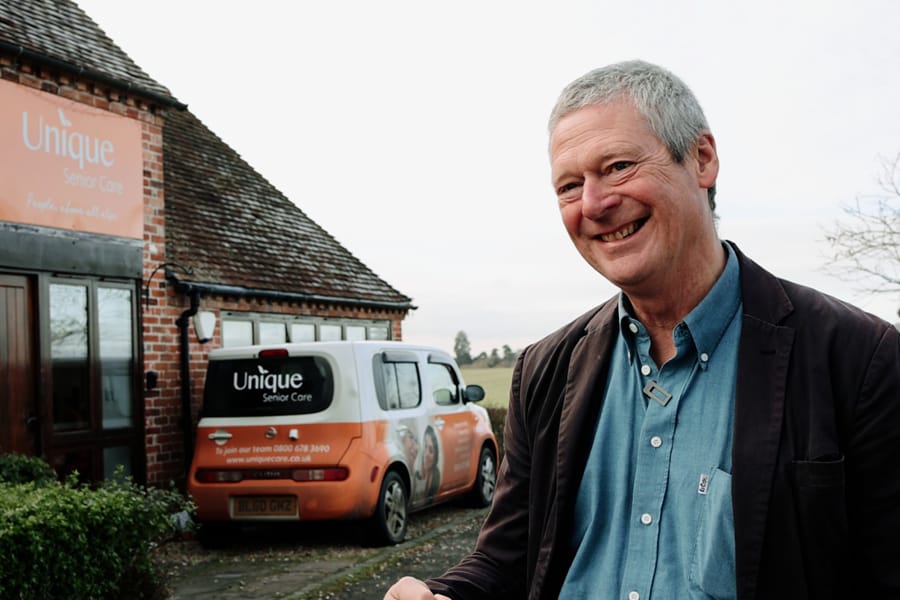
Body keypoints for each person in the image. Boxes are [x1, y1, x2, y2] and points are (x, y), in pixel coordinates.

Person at [384, 60, 900, 599]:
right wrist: (445, 594)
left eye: (619, 166)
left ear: (702, 159)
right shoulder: (545, 370)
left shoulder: (857, 358)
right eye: (569, 185)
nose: (594, 204)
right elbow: (509, 559)